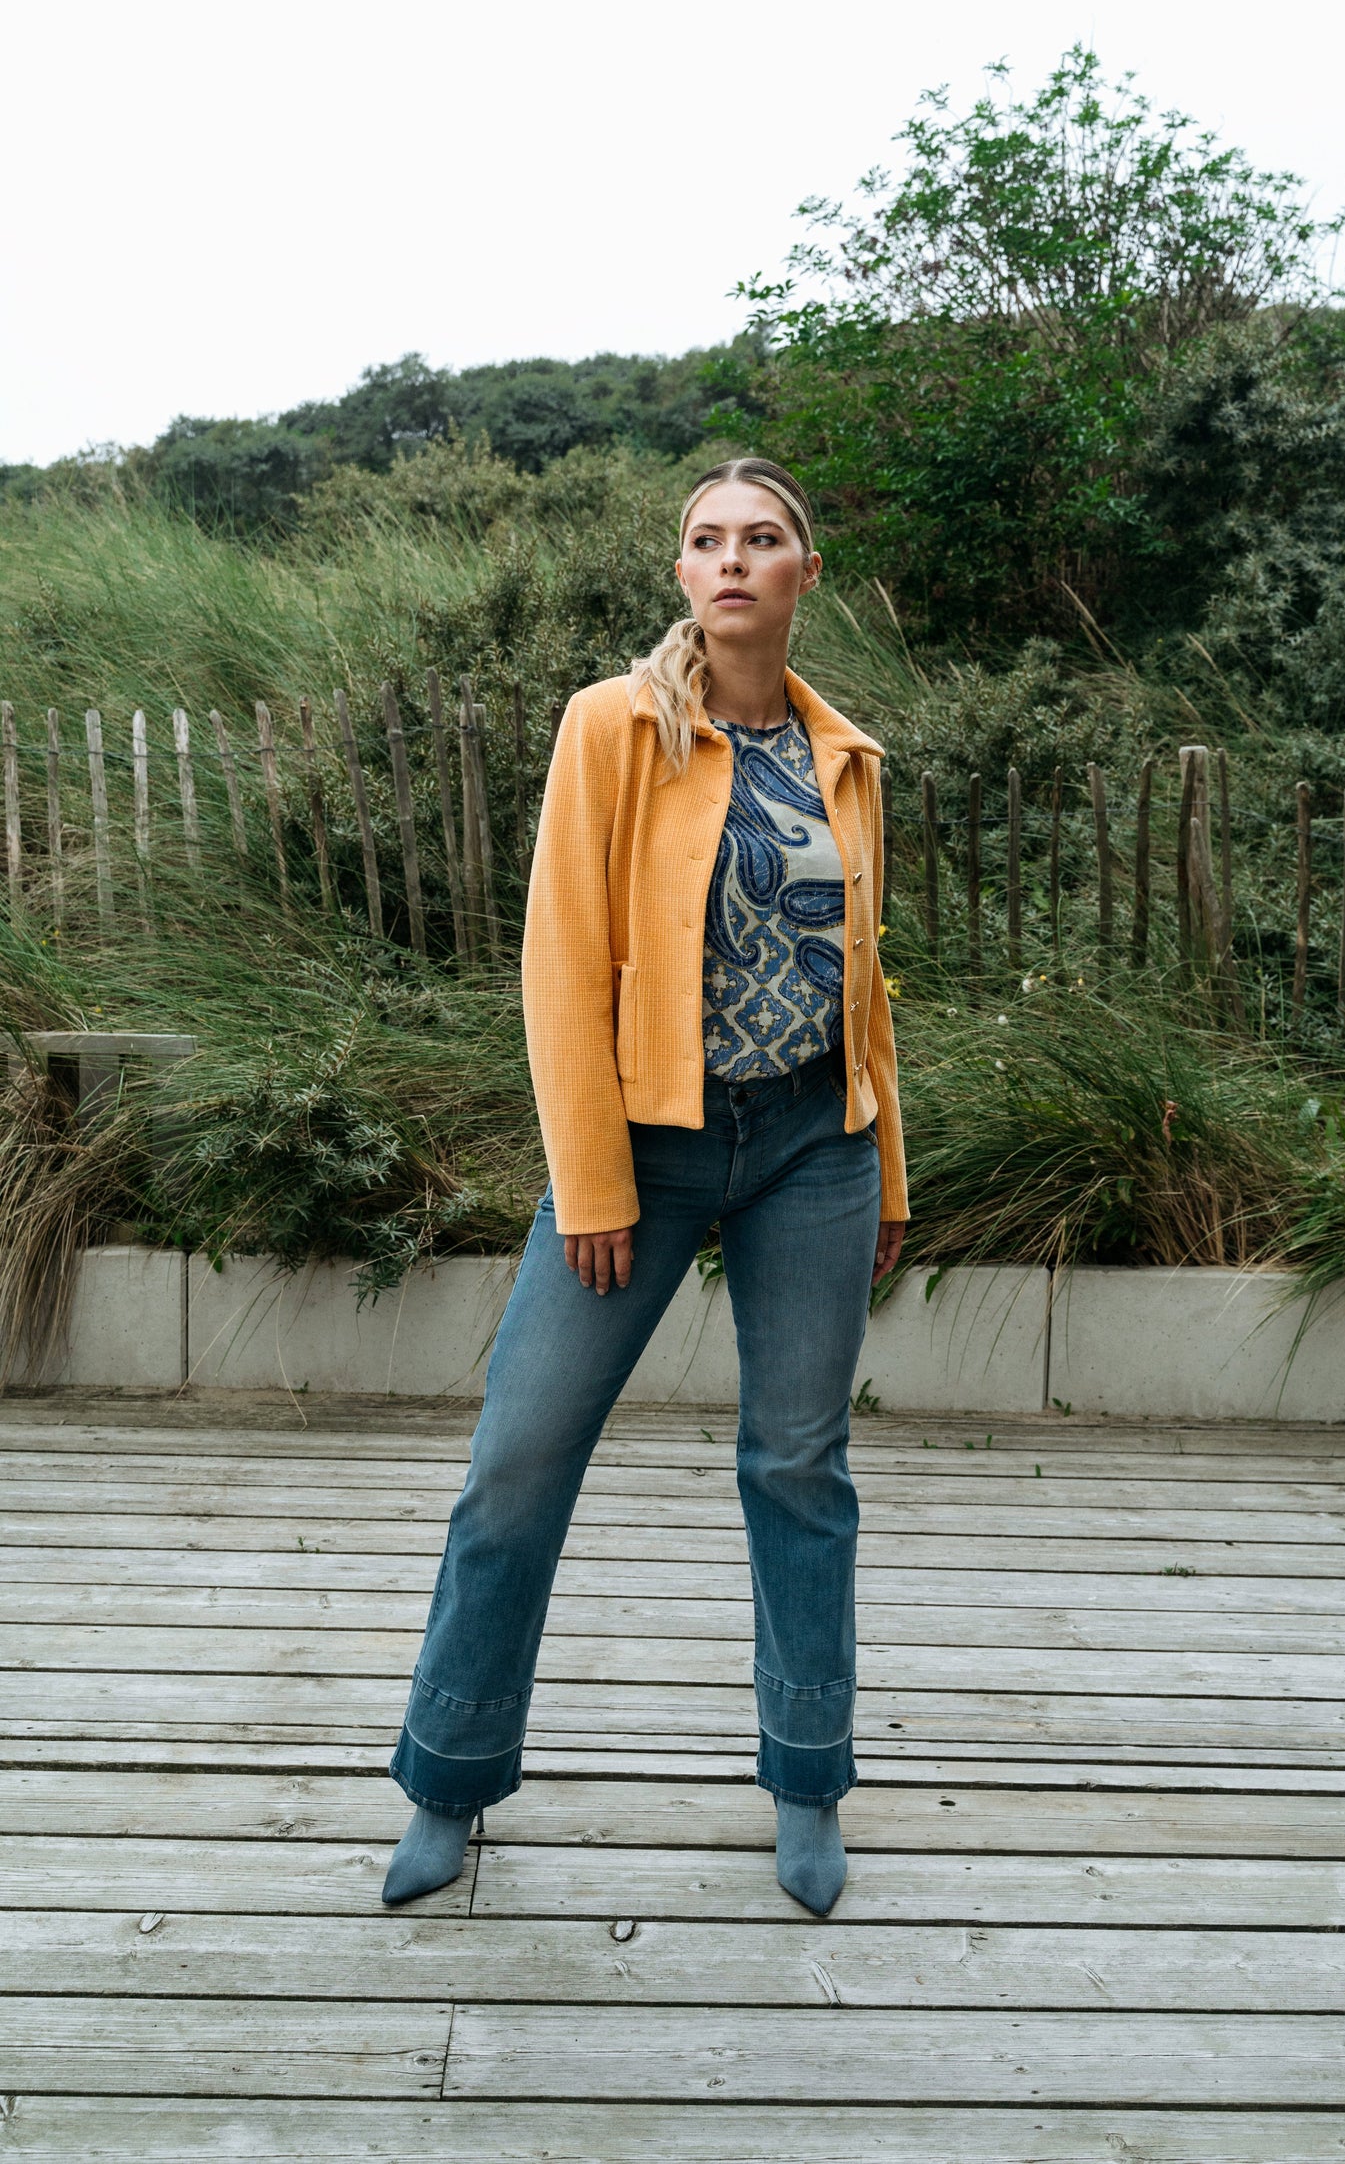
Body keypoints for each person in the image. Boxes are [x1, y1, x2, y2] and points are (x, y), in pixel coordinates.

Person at [382, 456, 909, 1914]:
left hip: (816, 1147)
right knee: (518, 1463)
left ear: (804, 571)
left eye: (761, 538)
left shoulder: (842, 756)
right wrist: (594, 1183)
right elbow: (560, 964)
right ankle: (447, 1775)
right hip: (644, 1153)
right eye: (702, 540)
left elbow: (860, 982)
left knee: (798, 1469)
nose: (729, 558)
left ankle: (807, 1780)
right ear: (680, 574)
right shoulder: (613, 727)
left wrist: (888, 1170)